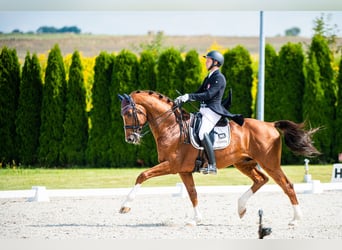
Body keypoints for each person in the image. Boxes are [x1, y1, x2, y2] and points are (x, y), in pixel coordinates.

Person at [175, 50, 244, 175]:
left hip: (213, 111)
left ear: (215, 62)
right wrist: (184, 98)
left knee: (202, 133)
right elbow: (199, 92)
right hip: (204, 111)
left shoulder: (219, 78)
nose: (206, 62)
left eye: (208, 60)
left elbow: (209, 94)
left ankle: (212, 165)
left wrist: (189, 97)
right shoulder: (208, 77)